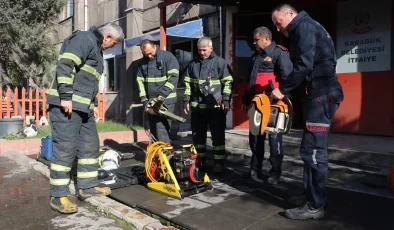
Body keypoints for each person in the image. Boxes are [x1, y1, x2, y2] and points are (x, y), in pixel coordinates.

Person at [271, 4, 344, 220]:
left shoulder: (304, 28)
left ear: (290, 14)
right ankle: (310, 195)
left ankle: (314, 205)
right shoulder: (308, 27)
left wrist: (282, 89)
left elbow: (303, 65)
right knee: (309, 148)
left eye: (278, 22)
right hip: (321, 93)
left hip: (321, 94)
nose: (277, 28)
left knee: (313, 151)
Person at [47, 22, 124, 214]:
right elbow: (66, 65)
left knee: (90, 146)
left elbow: (87, 81)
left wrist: (92, 106)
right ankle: (58, 196)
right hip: (66, 105)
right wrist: (65, 97)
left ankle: (87, 187)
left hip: (83, 108)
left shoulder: (96, 49)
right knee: (66, 149)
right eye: (113, 43)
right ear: (107, 36)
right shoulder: (84, 39)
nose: (112, 47)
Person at [242, 26, 293, 185]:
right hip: (257, 104)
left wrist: (282, 96)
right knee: (255, 140)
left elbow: (289, 78)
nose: (254, 42)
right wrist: (245, 100)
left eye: (256, 40)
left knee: (274, 141)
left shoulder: (279, 53)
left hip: (274, 106)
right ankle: (255, 170)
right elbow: (250, 83)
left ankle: (275, 173)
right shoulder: (254, 57)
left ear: (266, 39)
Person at [183, 36, 233, 174]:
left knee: (218, 137)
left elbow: (228, 83)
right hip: (198, 108)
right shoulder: (192, 64)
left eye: (204, 50)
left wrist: (226, 101)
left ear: (211, 48)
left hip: (215, 109)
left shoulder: (220, 63)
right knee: (198, 138)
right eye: (199, 50)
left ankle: (219, 164)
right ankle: (200, 162)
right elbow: (187, 84)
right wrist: (186, 101)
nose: (202, 53)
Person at [136, 39, 179, 143]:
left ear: (155, 46)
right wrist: (145, 101)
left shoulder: (168, 58)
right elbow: (140, 83)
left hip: (167, 100)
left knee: (161, 128)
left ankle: (166, 155)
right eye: (146, 54)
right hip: (151, 102)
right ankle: (158, 155)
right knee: (154, 130)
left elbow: (173, 78)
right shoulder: (142, 63)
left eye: (151, 53)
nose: (149, 56)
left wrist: (161, 96)